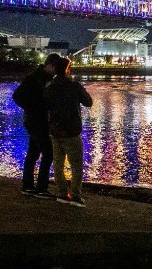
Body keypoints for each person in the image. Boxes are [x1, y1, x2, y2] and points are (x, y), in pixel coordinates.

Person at [44, 55, 92, 207]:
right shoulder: (75, 86)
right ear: (67, 69)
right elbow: (88, 102)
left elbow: (45, 107)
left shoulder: (49, 88)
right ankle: (76, 196)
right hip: (71, 131)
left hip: (55, 131)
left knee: (58, 164)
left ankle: (62, 194)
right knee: (76, 165)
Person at [11, 54, 61, 198]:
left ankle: (27, 186)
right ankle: (41, 188)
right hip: (36, 120)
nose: (55, 72)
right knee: (48, 153)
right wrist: (33, 107)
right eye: (55, 68)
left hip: (36, 120)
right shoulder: (34, 78)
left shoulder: (43, 78)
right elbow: (17, 96)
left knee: (33, 153)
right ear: (49, 65)